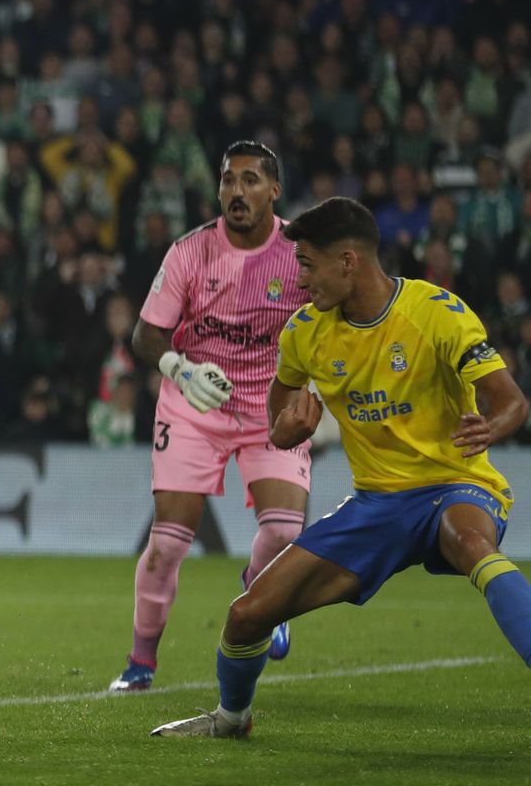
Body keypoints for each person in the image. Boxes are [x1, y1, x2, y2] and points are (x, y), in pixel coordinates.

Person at [153, 197, 531, 738]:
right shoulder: (304, 332)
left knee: (472, 543)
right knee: (246, 615)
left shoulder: (436, 312)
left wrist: (490, 428)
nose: (300, 279)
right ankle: (231, 719)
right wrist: (286, 431)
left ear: (348, 261)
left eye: (307, 264)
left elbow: (512, 401)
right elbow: (278, 413)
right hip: (377, 505)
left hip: (458, 485)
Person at [110, 142, 312, 693]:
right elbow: (145, 334)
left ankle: (261, 590)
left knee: (284, 530)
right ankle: (141, 661)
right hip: (195, 404)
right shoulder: (189, 251)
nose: (236, 192)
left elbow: (334, 320)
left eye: (250, 180)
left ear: (274, 190)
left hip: (272, 404)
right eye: (228, 180)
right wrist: (179, 368)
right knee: (169, 544)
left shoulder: (300, 254)